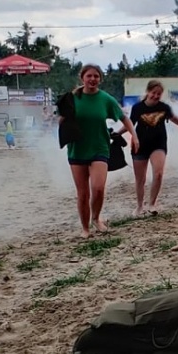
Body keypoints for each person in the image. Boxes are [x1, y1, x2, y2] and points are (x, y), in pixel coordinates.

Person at [65, 64, 135, 236]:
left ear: (100, 79)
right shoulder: (72, 98)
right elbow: (61, 119)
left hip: (100, 148)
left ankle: (96, 218)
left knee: (98, 188)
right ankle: (85, 228)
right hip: (77, 149)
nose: (92, 79)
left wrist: (134, 136)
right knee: (82, 193)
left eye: (96, 76)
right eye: (89, 76)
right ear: (82, 77)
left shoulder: (106, 99)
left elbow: (124, 118)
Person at [129, 80, 178, 216]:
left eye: (159, 94)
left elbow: (175, 119)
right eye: (153, 93)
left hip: (158, 144)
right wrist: (116, 134)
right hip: (140, 145)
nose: (156, 96)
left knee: (158, 173)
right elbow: (129, 124)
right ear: (148, 92)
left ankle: (152, 203)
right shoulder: (137, 108)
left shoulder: (164, 107)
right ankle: (139, 206)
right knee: (140, 178)